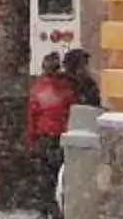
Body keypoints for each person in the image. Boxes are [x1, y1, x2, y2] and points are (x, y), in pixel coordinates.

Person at [24, 50, 78, 217]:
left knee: (44, 176)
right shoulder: (67, 88)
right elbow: (71, 111)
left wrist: (31, 140)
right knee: (55, 175)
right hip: (61, 137)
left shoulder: (38, 89)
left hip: (44, 137)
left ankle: (47, 208)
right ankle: (52, 207)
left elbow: (32, 117)